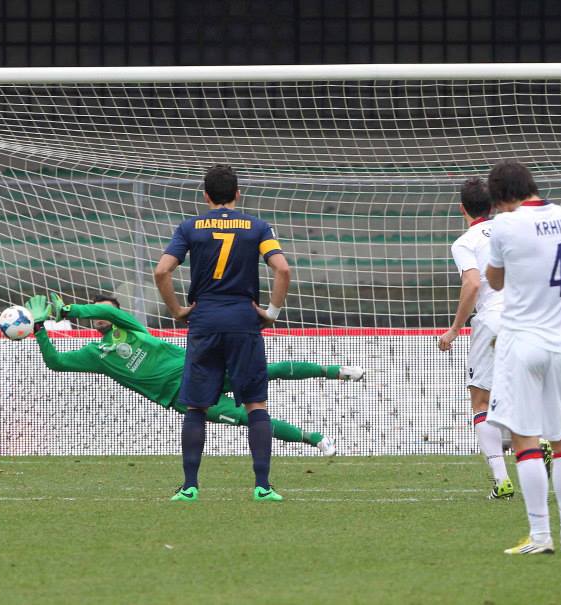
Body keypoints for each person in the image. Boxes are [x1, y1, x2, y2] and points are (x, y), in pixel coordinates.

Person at [26, 294, 363, 455]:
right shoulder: (93, 354)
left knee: (267, 370)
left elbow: (100, 309)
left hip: (201, 368)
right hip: (183, 396)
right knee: (246, 418)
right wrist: (40, 327)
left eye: (109, 311)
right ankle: (315, 439)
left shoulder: (128, 326)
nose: (103, 315)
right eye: (99, 313)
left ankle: (337, 371)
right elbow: (55, 363)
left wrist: (68, 310)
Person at [153, 164, 292, 502]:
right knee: (255, 403)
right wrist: (271, 313)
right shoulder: (257, 227)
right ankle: (262, 486)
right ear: (238, 194)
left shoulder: (189, 227)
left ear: (205, 195)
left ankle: (189, 487)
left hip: (205, 320)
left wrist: (177, 311)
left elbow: (161, 271)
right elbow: (283, 269)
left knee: (196, 407)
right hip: (244, 319)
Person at [484, 159, 561, 555]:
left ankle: (541, 536)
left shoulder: (506, 225)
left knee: (526, 440)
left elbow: (494, 280)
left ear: (503, 199)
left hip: (522, 342)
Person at [438, 177, 512, 499]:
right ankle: (539, 443)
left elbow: (471, 285)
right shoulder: (512, 230)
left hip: (493, 320)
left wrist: (455, 329)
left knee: (481, 401)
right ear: (493, 205)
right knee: (519, 393)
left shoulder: (465, 241)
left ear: (461, 208)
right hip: (528, 317)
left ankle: (501, 480)